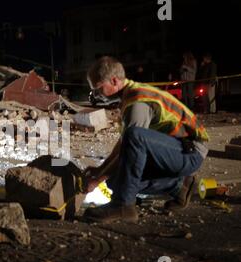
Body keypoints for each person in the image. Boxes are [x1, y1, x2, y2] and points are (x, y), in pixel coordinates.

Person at [83, 56, 209, 223]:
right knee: (116, 180)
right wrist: (100, 172)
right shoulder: (130, 96)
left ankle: (124, 205)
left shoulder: (137, 100)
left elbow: (132, 141)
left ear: (114, 81)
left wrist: (98, 178)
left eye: (98, 89)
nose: (97, 95)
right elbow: (123, 145)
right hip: (178, 151)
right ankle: (180, 187)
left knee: (134, 137)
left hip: (191, 152)